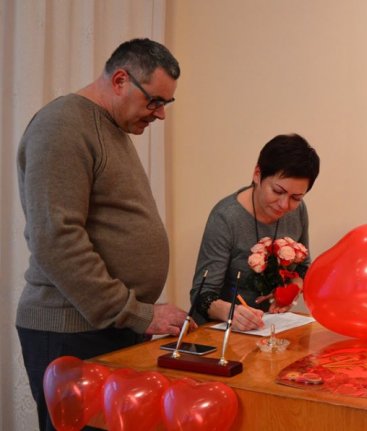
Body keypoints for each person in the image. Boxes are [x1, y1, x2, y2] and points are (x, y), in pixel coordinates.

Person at [15, 38, 194, 431]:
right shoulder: (62, 126)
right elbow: (56, 239)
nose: (160, 115)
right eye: (154, 101)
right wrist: (137, 312)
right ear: (119, 80)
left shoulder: (111, 128)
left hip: (107, 329)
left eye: (167, 104)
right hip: (70, 333)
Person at [191, 134, 320, 331]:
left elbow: (303, 267)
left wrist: (293, 286)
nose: (284, 204)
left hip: (272, 330)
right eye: (277, 191)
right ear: (257, 174)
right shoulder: (226, 217)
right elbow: (202, 295)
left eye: (296, 197)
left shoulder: (298, 211)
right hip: (226, 334)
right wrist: (230, 312)